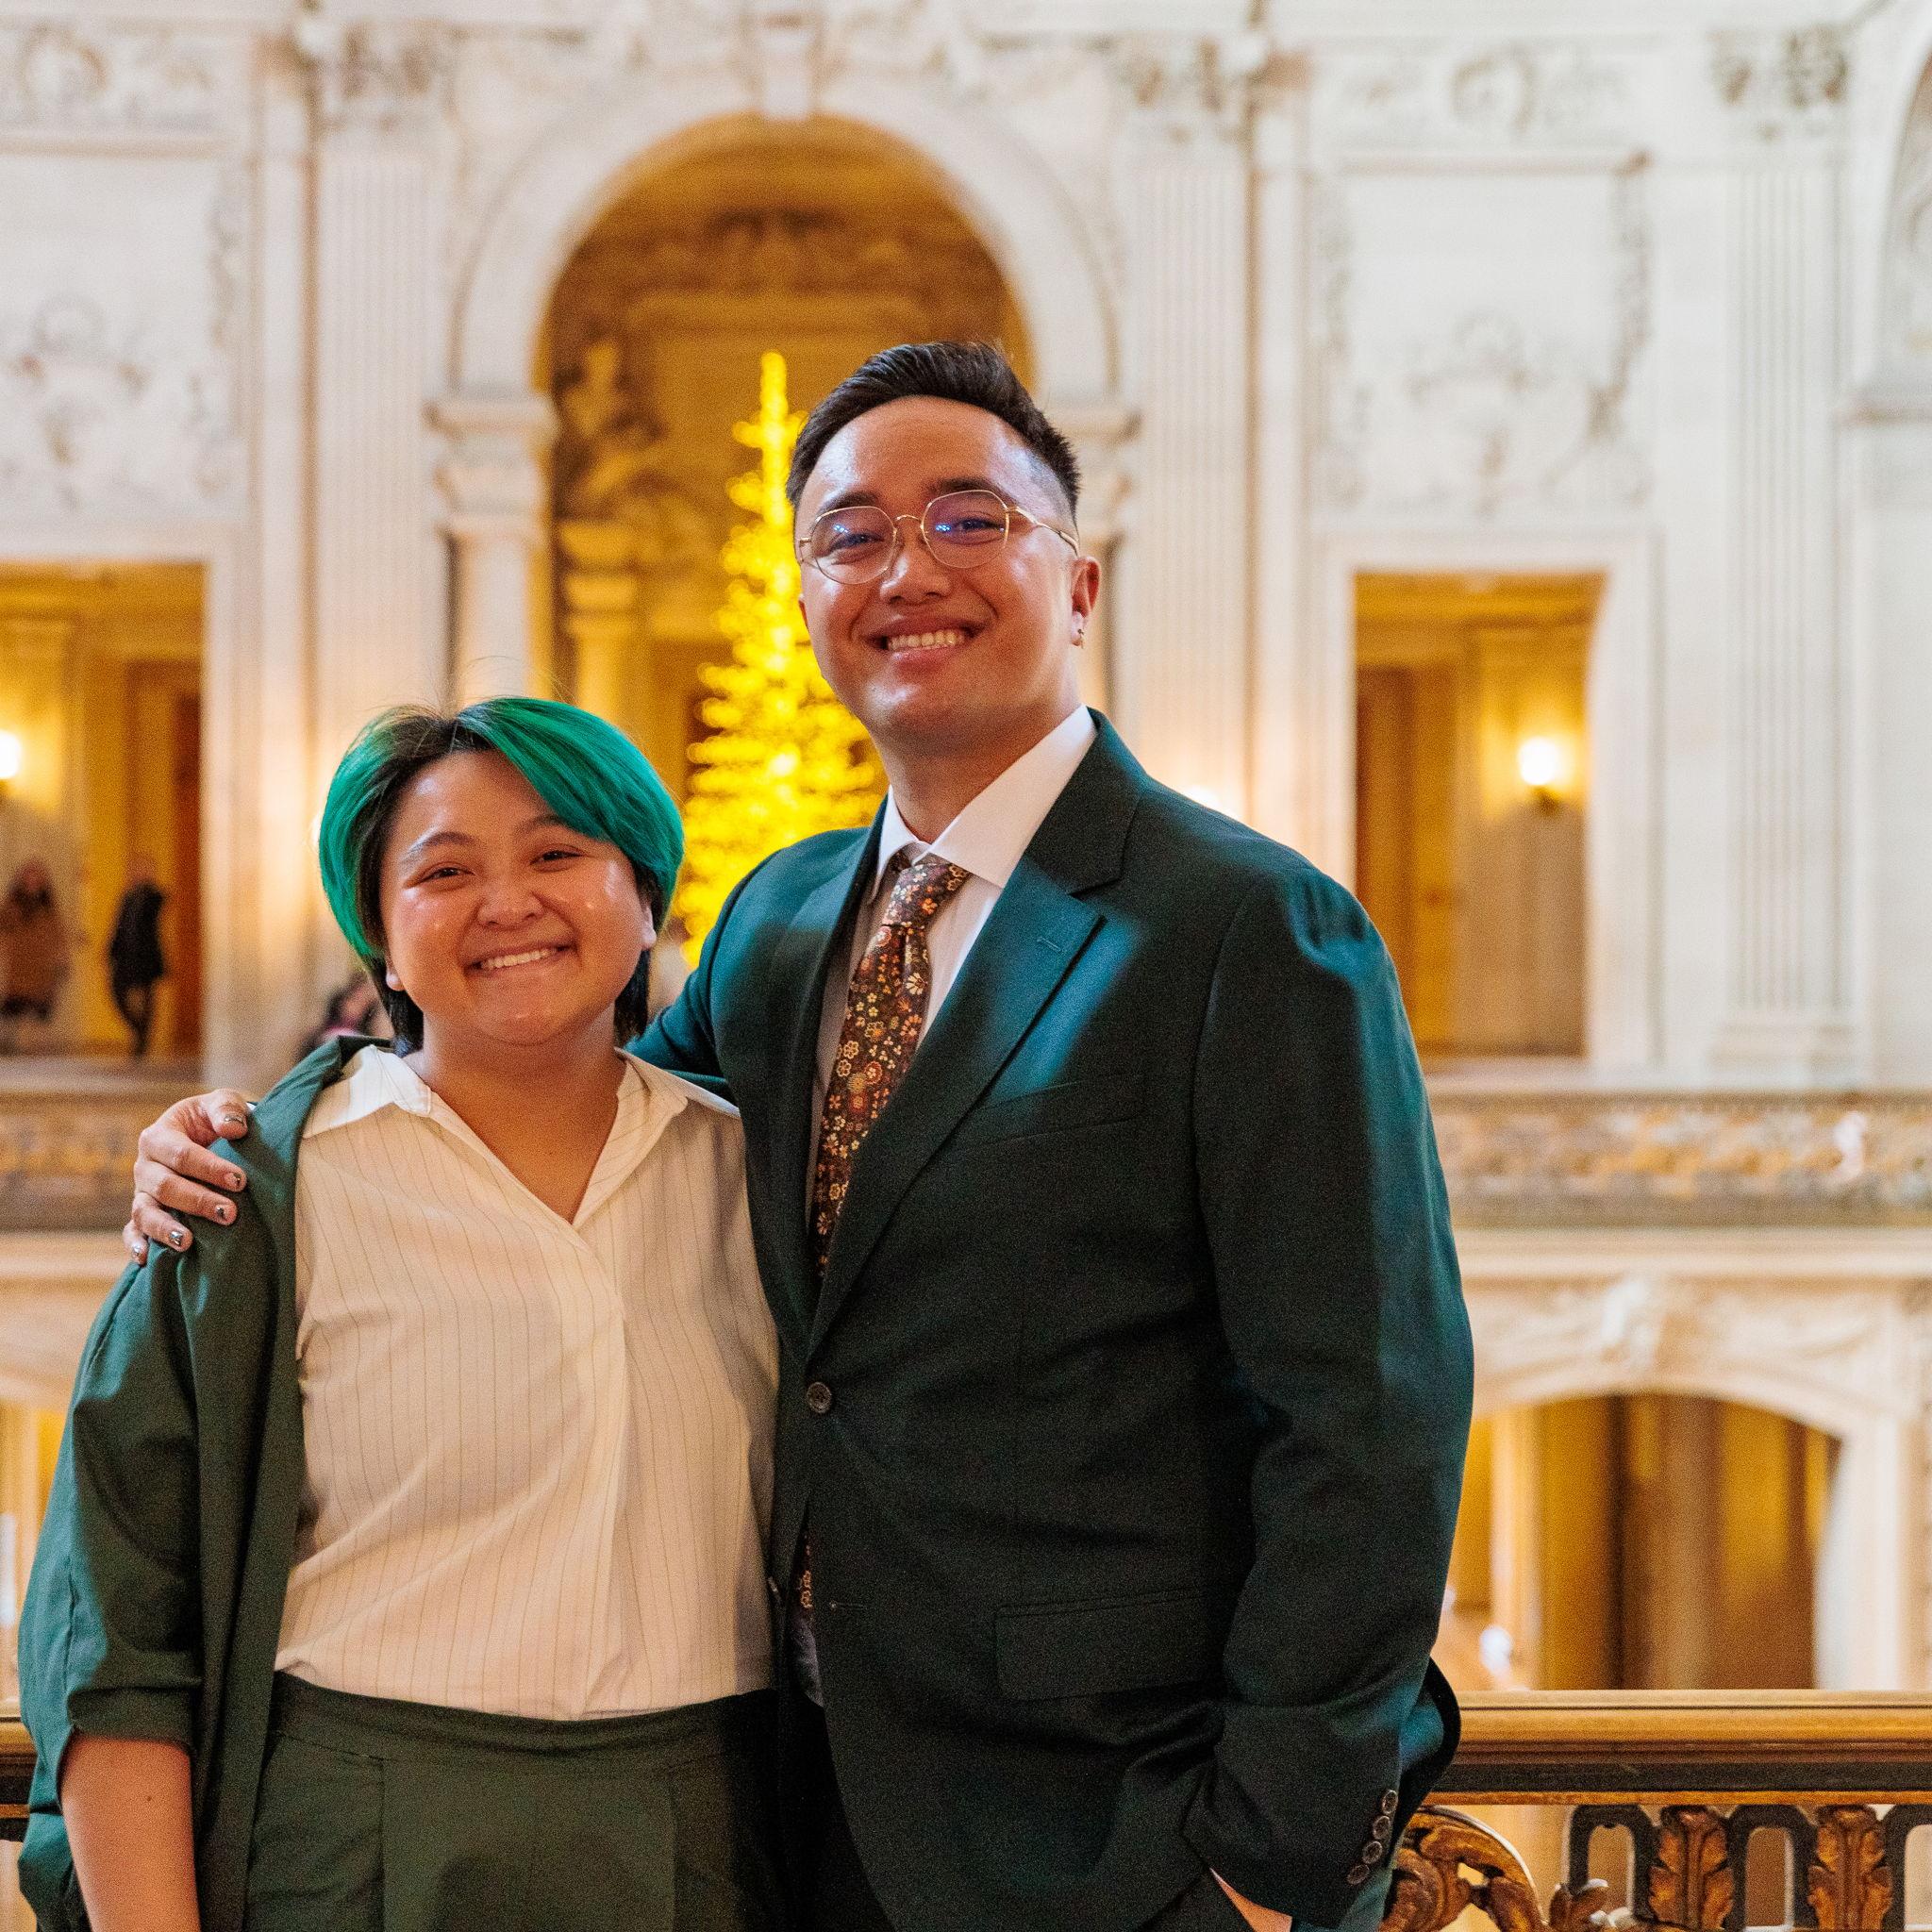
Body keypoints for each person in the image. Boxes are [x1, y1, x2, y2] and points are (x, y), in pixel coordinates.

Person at [125, 342, 1473, 1932]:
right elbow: (569, 1123)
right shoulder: (774, 923)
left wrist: (1269, 1855)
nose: (906, 571)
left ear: (1079, 582)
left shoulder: (1248, 926)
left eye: (967, 520)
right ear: (810, 595)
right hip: (798, 1811)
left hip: (1124, 1828)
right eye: (851, 535)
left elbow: (1370, 1412)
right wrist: (252, 1130)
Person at [26, 697, 785, 1932]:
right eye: (443, 872)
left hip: (703, 1837)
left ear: (648, 898)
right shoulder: (248, 1197)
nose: (507, 902)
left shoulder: (761, 1180)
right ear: (378, 937)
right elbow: (117, 1633)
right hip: (351, 1842)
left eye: (557, 852)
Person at [0, 858, 71, 1050]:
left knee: (41, 1012)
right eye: (29, 877)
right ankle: (10, 1047)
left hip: (43, 968)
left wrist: (62, 957)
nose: (32, 882)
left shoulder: (49, 908)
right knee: (12, 1010)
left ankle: (37, 1049)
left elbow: (58, 934)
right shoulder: (11, 905)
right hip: (18, 966)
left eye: (37, 878)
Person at [106, 857, 167, 1058]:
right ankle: (139, 1030)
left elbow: (155, 910)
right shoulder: (127, 896)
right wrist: (112, 950)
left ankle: (143, 1039)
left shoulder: (154, 896)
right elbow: (119, 925)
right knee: (117, 991)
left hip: (146, 955)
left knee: (148, 997)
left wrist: (145, 887)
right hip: (125, 955)